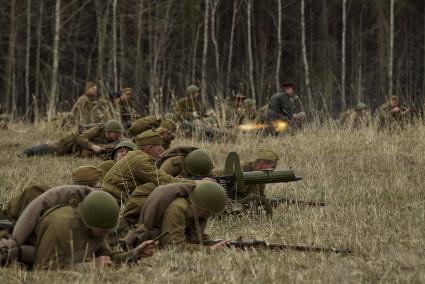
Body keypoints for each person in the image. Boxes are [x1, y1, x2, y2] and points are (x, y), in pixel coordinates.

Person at [0, 190, 156, 269]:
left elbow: (107, 257)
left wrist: (135, 253)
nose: (106, 234)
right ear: (90, 223)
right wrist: (88, 266)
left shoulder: (96, 229)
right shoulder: (60, 225)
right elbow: (44, 270)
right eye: (103, 229)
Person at [123, 181, 228, 251]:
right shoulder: (178, 207)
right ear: (204, 209)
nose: (210, 216)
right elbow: (173, 246)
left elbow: (196, 240)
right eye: (210, 212)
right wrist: (210, 250)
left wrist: (227, 244)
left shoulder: (194, 211)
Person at [101, 130, 193, 205]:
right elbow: (161, 180)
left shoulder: (137, 156)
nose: (161, 153)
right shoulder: (141, 161)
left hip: (112, 197)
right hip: (112, 200)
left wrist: (173, 179)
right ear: (149, 149)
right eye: (159, 149)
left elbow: (157, 177)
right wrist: (196, 182)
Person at [22, 120, 124, 158]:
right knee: (54, 148)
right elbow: (81, 138)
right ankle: (28, 152)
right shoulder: (97, 130)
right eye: (115, 133)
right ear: (108, 131)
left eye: (118, 134)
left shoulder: (116, 138)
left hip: (78, 148)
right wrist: (93, 146)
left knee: (57, 155)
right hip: (71, 141)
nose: (117, 136)